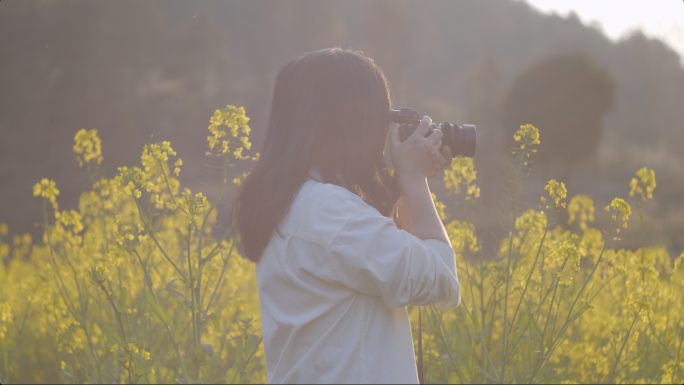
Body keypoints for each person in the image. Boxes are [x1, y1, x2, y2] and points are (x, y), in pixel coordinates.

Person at [234, 47, 461, 384]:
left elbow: (402, 270)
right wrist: (413, 179)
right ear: (354, 124)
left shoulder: (290, 204)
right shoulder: (332, 214)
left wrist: (409, 185)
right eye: (380, 118)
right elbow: (441, 280)